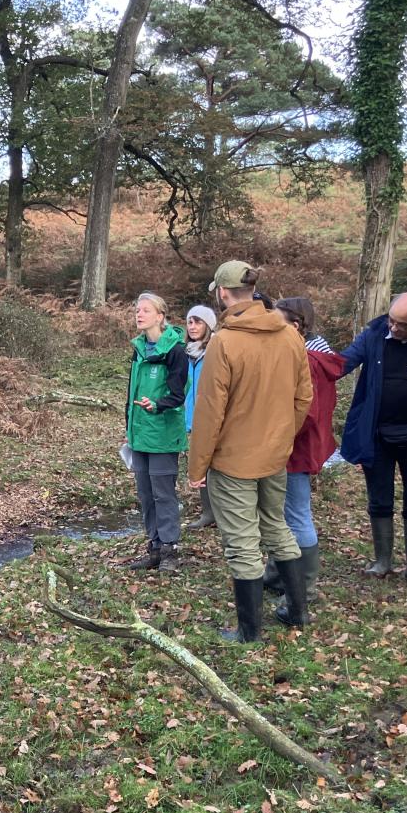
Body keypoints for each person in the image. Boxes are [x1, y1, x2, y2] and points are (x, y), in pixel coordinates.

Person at [187, 261, 313, 642]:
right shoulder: (290, 335)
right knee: (276, 526)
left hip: (233, 461)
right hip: (274, 456)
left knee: (242, 542)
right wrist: (281, 437)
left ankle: (249, 632)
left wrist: (198, 467)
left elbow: (209, 411)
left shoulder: (225, 342)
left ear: (222, 294)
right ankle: (297, 611)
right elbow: (303, 396)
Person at [337, 292, 407, 584]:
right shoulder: (374, 334)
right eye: (391, 320)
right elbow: (341, 364)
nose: (393, 327)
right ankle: (382, 560)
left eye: (401, 324)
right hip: (377, 434)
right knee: (379, 499)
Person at [267, 298, 346, 618]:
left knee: (296, 514)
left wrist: (276, 439)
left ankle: (305, 585)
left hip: (294, 449)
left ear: (295, 326)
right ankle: (276, 573)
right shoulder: (311, 355)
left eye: (277, 322)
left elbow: (305, 413)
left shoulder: (308, 361)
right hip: (298, 446)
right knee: (283, 512)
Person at [124, 292, 190, 571]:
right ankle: (153, 547)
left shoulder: (175, 350)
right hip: (139, 434)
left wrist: (156, 405)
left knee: (164, 494)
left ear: (160, 316)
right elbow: (131, 393)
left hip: (163, 434)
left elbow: (178, 395)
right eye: (138, 310)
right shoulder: (138, 349)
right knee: (145, 494)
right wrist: (129, 427)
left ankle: (170, 551)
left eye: (146, 310)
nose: (139, 314)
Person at [182, 305, 218, 530]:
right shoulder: (186, 352)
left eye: (198, 322)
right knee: (200, 465)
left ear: (209, 325)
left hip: (212, 418)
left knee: (218, 466)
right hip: (190, 418)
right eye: (190, 322)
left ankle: (224, 512)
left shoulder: (216, 350)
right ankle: (208, 512)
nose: (193, 327)